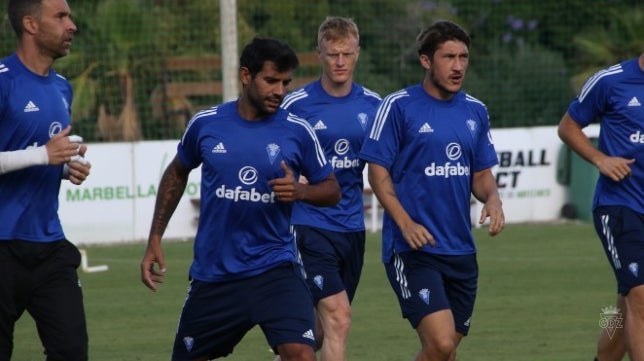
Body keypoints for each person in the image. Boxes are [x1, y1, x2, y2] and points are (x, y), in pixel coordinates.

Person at [140, 36, 341, 361]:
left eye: (285, 82)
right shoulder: (206, 124)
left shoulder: (298, 130)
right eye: (271, 80)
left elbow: (332, 189)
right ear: (246, 76)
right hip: (215, 274)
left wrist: (301, 191)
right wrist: (154, 237)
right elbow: (176, 172)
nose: (279, 91)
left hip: (275, 268)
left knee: (302, 354)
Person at [359, 20, 505, 361]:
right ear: (426, 61)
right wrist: (405, 223)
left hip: (461, 249)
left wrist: (494, 199)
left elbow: (481, 174)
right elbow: (377, 172)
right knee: (440, 344)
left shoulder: (476, 111)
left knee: (444, 351)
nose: (457, 66)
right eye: (448, 57)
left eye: (463, 57)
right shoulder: (397, 106)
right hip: (413, 250)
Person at [279, 16, 381, 361]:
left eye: (347, 54)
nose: (340, 62)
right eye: (332, 54)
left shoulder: (374, 106)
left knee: (316, 334)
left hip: (352, 228)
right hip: (309, 224)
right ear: (319, 54)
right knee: (339, 316)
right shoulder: (296, 105)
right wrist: (294, 177)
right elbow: (269, 150)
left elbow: (387, 167)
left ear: (357, 53)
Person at [0, 0, 92, 360]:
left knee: (72, 350)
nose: (72, 25)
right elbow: (39, 152)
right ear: (30, 25)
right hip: (2, 247)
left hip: (49, 246)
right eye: (61, 16)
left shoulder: (62, 88)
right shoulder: (3, 81)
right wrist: (43, 155)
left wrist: (67, 167)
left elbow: (44, 152)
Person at [557, 52, 643, 361]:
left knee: (627, 304)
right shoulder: (610, 81)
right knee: (641, 297)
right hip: (620, 205)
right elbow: (567, 127)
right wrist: (600, 159)